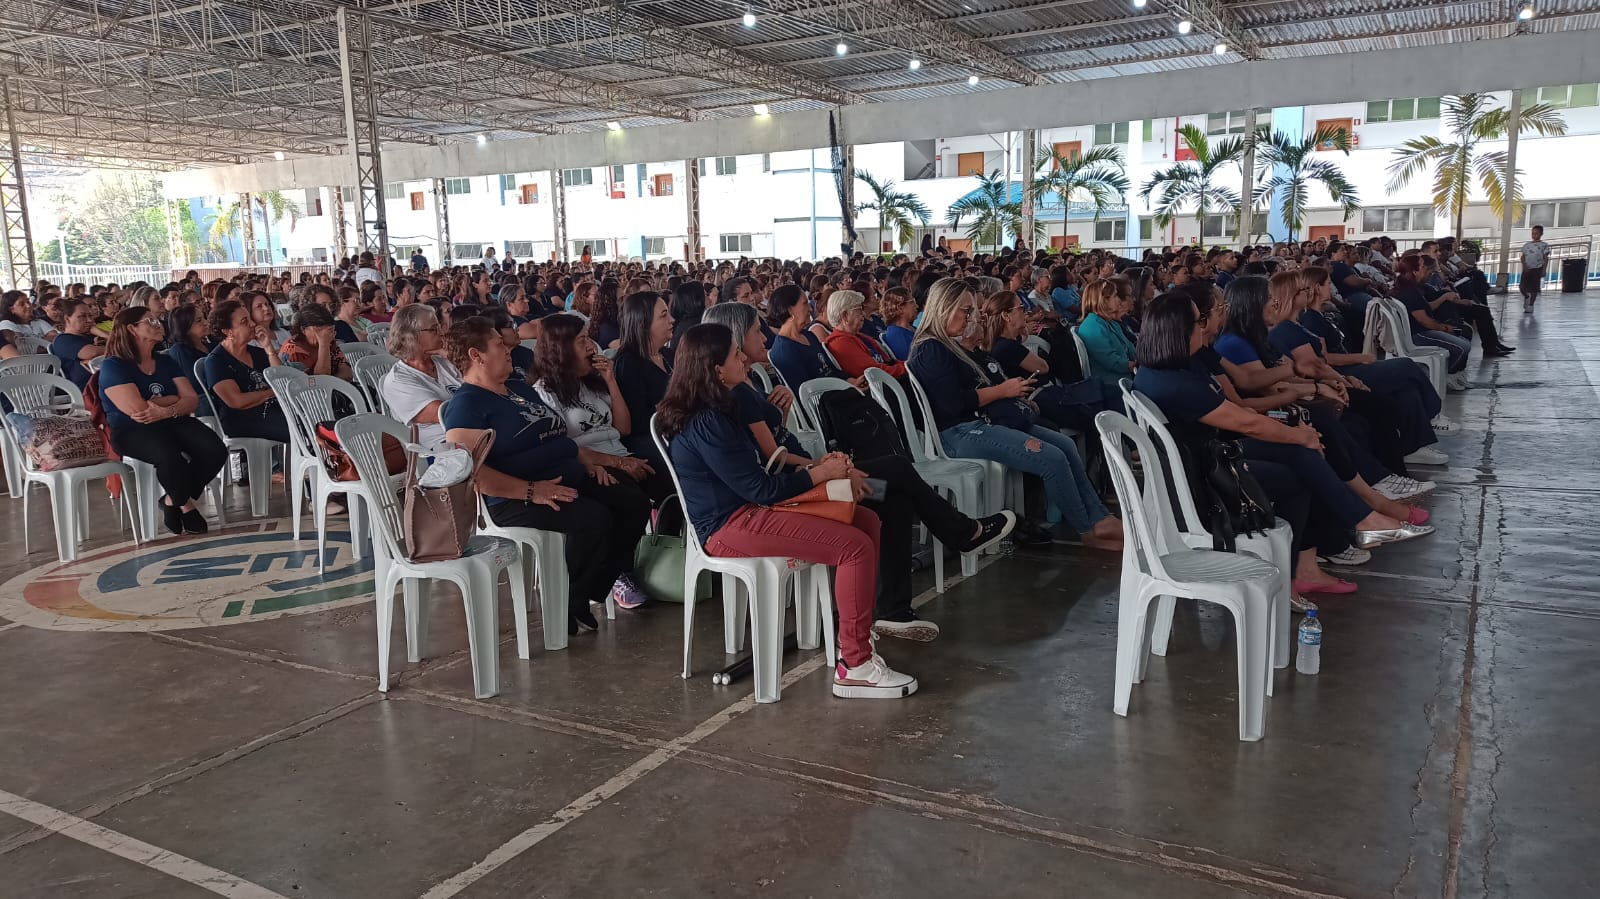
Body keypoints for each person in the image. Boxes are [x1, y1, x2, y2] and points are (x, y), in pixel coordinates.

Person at [706, 301, 1017, 639]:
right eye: (755, 333)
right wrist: (826, 469)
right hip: (800, 491)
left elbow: (777, 444)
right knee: (895, 472)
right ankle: (960, 534)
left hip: (809, 479)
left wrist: (785, 421)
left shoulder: (749, 385)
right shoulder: (738, 396)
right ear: (734, 341)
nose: (765, 338)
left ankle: (898, 609)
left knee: (893, 493)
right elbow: (774, 460)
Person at [657, 323, 916, 698]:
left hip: (756, 505)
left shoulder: (728, 402)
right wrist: (819, 473)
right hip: (731, 524)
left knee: (867, 517)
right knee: (854, 545)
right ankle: (855, 666)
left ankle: (857, 630)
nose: (745, 356)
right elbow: (760, 489)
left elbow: (771, 462)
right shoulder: (707, 421)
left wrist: (818, 468)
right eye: (736, 354)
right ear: (715, 369)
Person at [1133, 292, 1432, 597]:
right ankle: (1334, 542)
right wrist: (1299, 433)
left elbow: (1242, 410)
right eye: (1200, 321)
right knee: (1299, 468)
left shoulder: (1171, 368)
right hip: (1202, 480)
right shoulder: (1176, 384)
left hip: (1210, 456)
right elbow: (1243, 421)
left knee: (1302, 449)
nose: (1207, 325)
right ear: (1177, 331)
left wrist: (1296, 429)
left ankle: (1346, 533)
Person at [440, 317, 650, 634]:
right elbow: (473, 475)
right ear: (476, 355)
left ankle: (584, 592)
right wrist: (531, 491)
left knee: (632, 500)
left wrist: (587, 462)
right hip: (514, 496)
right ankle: (565, 601)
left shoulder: (516, 388)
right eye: (499, 343)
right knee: (593, 519)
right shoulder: (466, 405)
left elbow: (557, 437)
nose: (509, 347)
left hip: (565, 476)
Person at [908, 278, 1123, 549]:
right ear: (944, 308)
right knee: (1052, 459)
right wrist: (1002, 391)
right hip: (959, 432)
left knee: (1065, 445)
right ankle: (1088, 528)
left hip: (979, 421)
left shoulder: (947, 345)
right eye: (966, 311)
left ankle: (1100, 517)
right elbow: (953, 404)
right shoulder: (931, 348)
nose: (971, 318)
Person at [531, 313, 666, 609]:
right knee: (633, 502)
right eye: (581, 341)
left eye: (589, 338)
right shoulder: (545, 393)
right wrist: (615, 464)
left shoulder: (592, 383)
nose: (592, 346)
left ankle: (663, 565)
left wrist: (610, 381)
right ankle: (612, 576)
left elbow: (623, 429)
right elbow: (562, 446)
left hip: (620, 454)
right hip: (587, 464)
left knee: (673, 489)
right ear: (561, 349)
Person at [98, 308, 227, 535]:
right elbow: (139, 410)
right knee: (168, 456)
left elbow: (191, 401)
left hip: (172, 421)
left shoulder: (165, 361)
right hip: (132, 430)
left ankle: (170, 500)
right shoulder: (114, 366)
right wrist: (174, 400)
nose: (159, 324)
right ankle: (186, 506)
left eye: (158, 320)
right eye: (151, 321)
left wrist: (167, 407)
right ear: (132, 329)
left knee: (214, 449)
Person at [203, 299, 291, 444]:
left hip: (271, 409)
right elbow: (237, 401)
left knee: (313, 420)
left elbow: (280, 379)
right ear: (228, 331)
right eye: (244, 321)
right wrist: (273, 392)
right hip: (242, 419)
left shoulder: (257, 352)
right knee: (300, 429)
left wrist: (269, 348)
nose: (253, 324)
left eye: (250, 319)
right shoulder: (216, 361)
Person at [612, 290, 674, 473]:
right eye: (664, 316)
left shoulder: (668, 355)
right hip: (651, 438)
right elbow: (637, 422)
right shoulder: (629, 364)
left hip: (678, 428)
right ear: (644, 324)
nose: (672, 320)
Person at [382, 304, 461, 447]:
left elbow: (487, 382)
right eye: (434, 329)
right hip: (440, 448)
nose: (441, 333)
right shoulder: (397, 381)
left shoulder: (445, 360)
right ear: (411, 336)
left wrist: (457, 357)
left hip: (474, 432)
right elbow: (446, 414)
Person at [768, 284, 849, 389]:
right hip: (827, 399)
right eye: (805, 304)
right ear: (790, 310)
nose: (810, 309)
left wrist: (849, 381)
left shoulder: (808, 335)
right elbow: (807, 390)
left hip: (840, 390)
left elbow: (830, 368)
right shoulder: (784, 350)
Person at [823, 290, 905, 378]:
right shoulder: (840, 344)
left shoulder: (857, 336)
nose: (863, 313)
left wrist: (909, 366)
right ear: (845, 316)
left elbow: (889, 362)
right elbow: (875, 373)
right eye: (859, 309)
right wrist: (908, 368)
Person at [1075, 279, 1136, 389]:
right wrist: (1136, 366)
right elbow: (1112, 362)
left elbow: (1130, 347)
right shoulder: (1092, 326)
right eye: (1115, 296)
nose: (1119, 300)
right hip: (1113, 385)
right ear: (1103, 300)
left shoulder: (1110, 322)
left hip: (1125, 378)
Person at [163, 304, 215, 417]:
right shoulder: (179, 350)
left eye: (204, 318)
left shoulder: (211, 345)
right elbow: (195, 383)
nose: (206, 323)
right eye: (199, 321)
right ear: (185, 327)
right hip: (203, 399)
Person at [279, 305, 354, 381]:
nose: (325, 335)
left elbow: (345, 369)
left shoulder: (329, 339)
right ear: (303, 330)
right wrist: (324, 345)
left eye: (330, 330)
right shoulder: (293, 352)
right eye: (319, 330)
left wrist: (338, 383)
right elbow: (320, 380)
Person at [50, 300, 105, 389]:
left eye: (90, 316)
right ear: (67, 319)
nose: (89, 320)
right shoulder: (63, 339)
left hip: (101, 382)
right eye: (82, 316)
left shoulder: (91, 337)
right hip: (85, 389)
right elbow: (91, 353)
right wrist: (104, 335)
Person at [879, 287, 917, 360]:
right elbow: (913, 362)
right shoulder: (897, 336)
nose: (916, 306)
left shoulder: (909, 329)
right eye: (912, 302)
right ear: (900, 308)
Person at [1520, 225, 1551, 315]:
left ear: (1541, 234)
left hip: (1537, 269)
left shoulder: (1544, 245)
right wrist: (1524, 266)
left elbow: (1545, 258)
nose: (1534, 235)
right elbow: (1523, 257)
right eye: (1533, 233)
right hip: (1527, 269)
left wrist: (1544, 269)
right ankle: (1526, 296)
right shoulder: (1527, 245)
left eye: (1536, 233)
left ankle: (1531, 305)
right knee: (1522, 287)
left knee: (1534, 288)